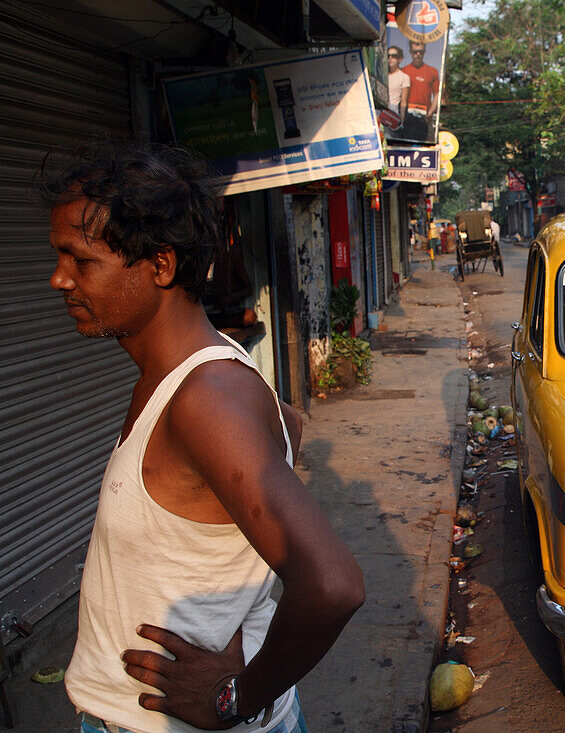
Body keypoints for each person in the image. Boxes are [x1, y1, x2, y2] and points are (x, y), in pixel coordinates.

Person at [44, 142, 364, 733]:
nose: (59, 278)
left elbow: (333, 583)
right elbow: (287, 427)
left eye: (81, 261)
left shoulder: (205, 399)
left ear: (160, 265)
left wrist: (234, 699)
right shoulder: (196, 381)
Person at [399, 41, 439, 142]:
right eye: (415, 52)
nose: (418, 55)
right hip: (409, 117)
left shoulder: (432, 71)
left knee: (425, 145)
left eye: (421, 52)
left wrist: (430, 113)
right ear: (410, 52)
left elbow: (437, 94)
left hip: (425, 117)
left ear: (424, 52)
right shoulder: (404, 71)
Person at [385, 45, 409, 131]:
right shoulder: (382, 75)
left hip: (392, 112)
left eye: (394, 56)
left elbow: (403, 102)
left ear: (400, 59)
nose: (390, 58)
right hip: (379, 110)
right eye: (388, 56)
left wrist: (401, 121)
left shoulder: (404, 77)